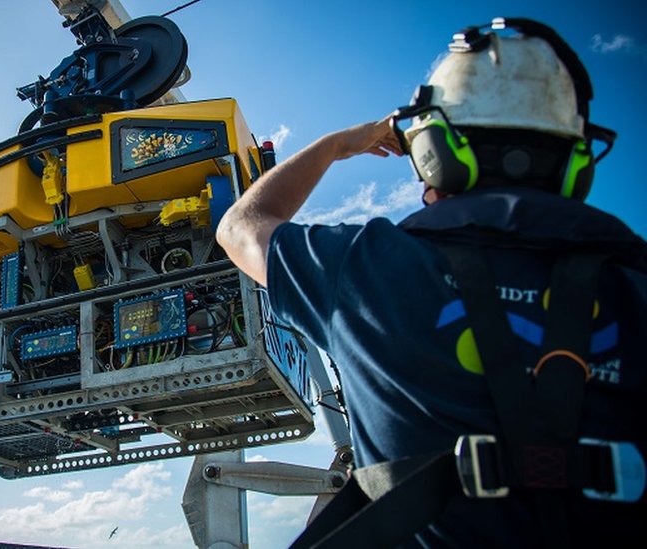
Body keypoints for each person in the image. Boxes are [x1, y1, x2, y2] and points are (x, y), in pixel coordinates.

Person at [216, 17, 646, 548]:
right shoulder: (635, 285)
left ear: (435, 156)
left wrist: (334, 146)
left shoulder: (364, 268)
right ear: (576, 164)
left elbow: (239, 230)